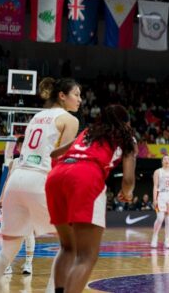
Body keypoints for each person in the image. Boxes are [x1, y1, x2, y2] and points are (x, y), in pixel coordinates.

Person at [0, 78, 80, 283]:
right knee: (70, 247)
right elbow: (63, 158)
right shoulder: (70, 120)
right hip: (39, 179)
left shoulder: (37, 117)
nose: (80, 99)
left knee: (7, 252)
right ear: (62, 95)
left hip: (16, 180)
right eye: (76, 94)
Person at [46, 104, 136, 293]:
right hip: (85, 176)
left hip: (57, 176)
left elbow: (55, 154)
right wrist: (127, 194)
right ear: (126, 123)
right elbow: (128, 179)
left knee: (68, 248)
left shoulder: (88, 131)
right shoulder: (127, 138)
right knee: (86, 256)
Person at [0, 136, 35, 276]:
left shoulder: (34, 162)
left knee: (28, 233)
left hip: (29, 199)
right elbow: (8, 180)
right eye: (19, 145)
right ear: (17, 148)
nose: (21, 147)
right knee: (9, 232)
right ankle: (7, 264)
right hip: (13, 200)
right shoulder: (14, 162)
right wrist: (1, 197)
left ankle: (28, 264)